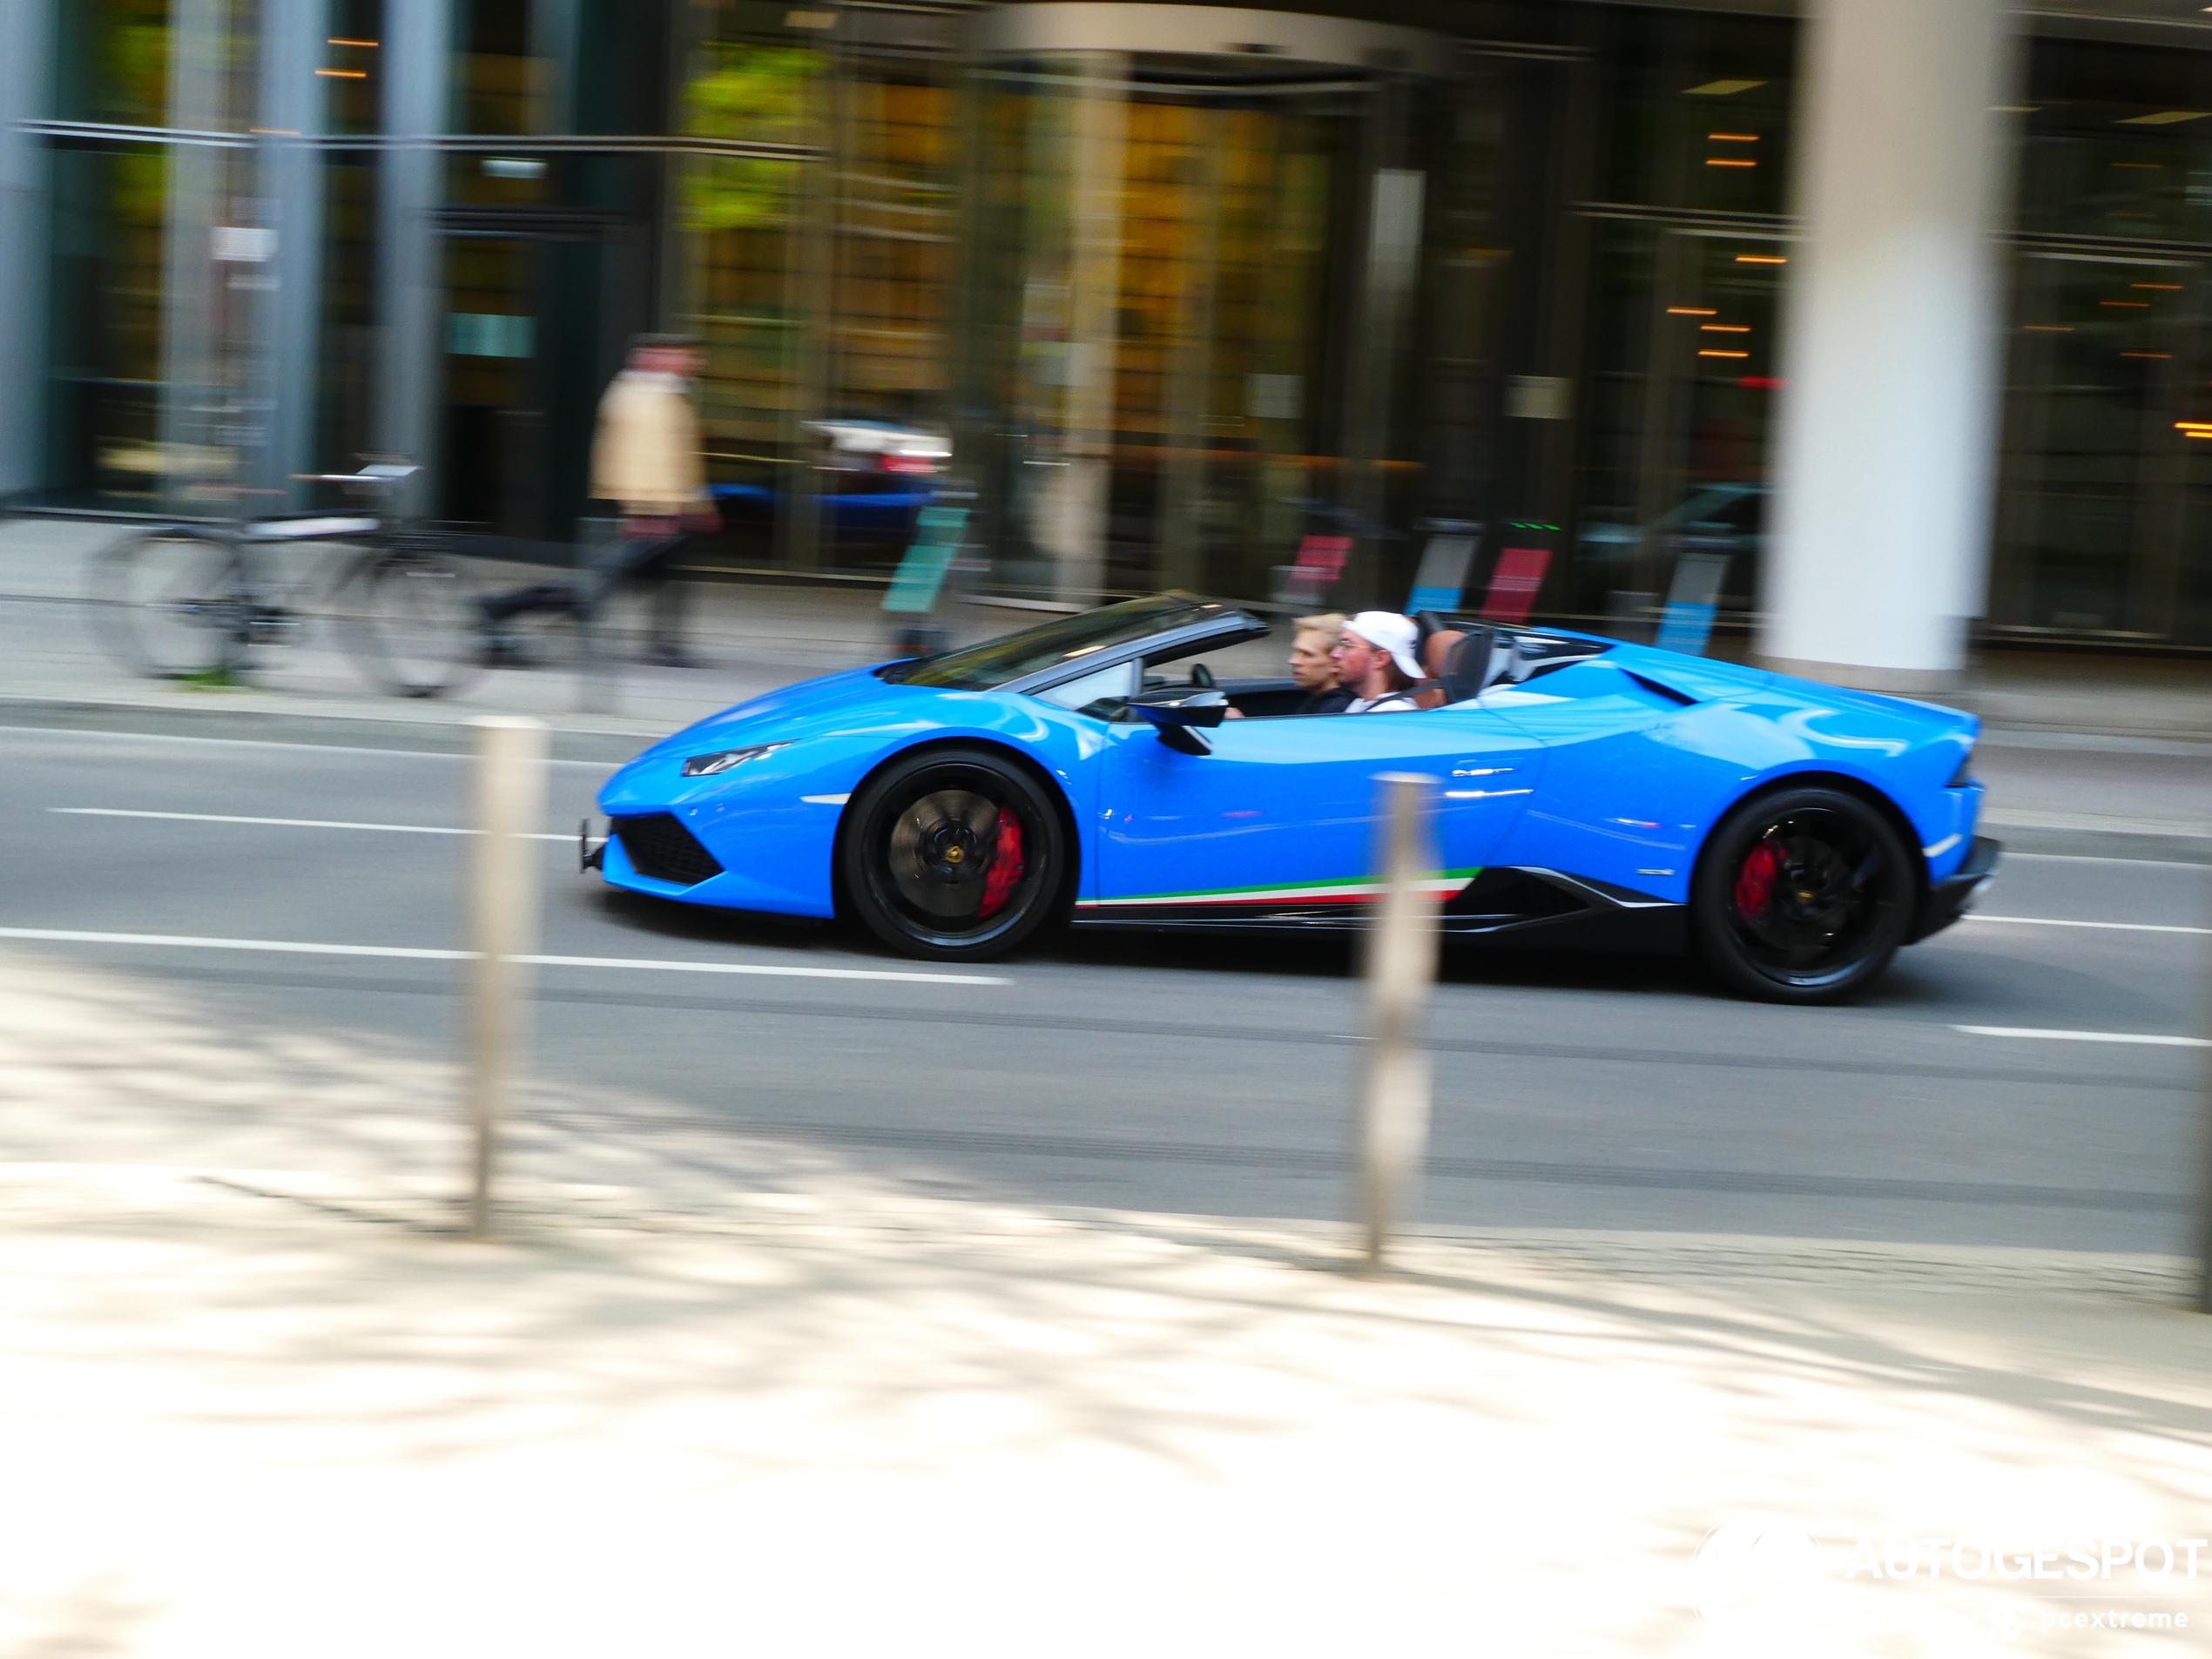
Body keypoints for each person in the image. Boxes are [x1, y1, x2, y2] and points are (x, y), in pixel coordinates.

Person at [478, 334, 718, 667]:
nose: (695, 364)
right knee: (592, 588)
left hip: (662, 509)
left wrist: (696, 503)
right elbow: (635, 460)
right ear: (655, 358)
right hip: (651, 510)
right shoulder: (646, 397)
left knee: (649, 580)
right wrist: (647, 511)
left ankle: (665, 644)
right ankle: (500, 607)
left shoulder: (663, 393)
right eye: (684, 357)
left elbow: (678, 459)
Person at [1330, 611, 1423, 713]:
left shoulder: (1394, 714)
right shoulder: (1360, 705)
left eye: (1347, 645)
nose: (1335, 654)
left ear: (1380, 659)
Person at [1289, 611, 1354, 714]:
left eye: (1307, 654)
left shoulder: (1334, 712)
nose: (1293, 661)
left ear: (1336, 660)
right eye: (1297, 652)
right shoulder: (1317, 702)